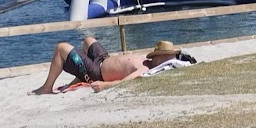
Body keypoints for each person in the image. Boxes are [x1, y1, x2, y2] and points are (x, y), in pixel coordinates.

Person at [31, 38, 189, 95]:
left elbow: (126, 81)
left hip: (97, 72)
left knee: (61, 48)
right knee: (88, 40)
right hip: (103, 60)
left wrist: (104, 85)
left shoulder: (145, 70)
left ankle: (46, 88)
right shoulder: (146, 61)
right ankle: (79, 74)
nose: (170, 58)